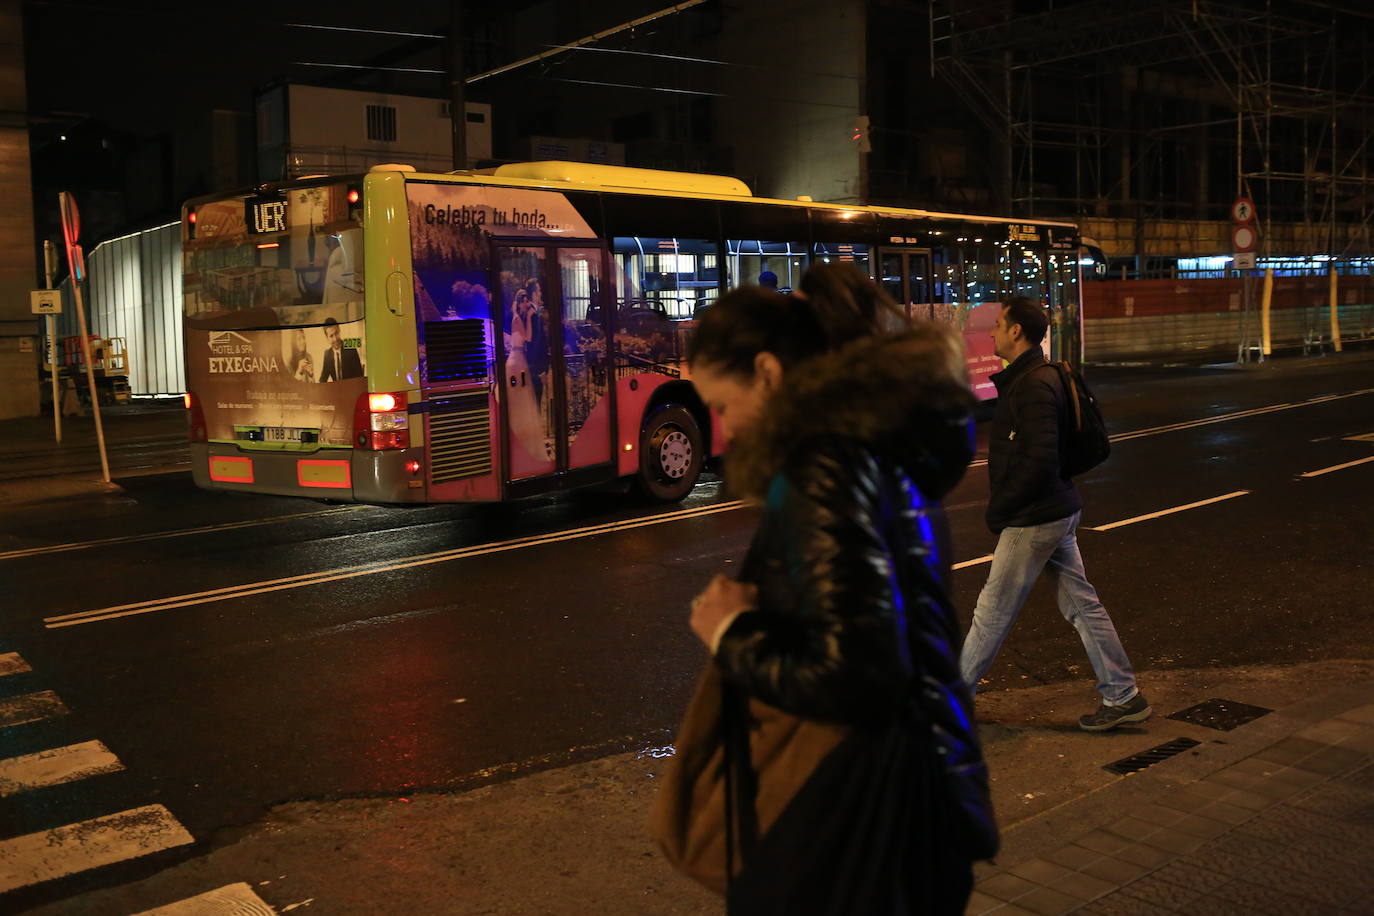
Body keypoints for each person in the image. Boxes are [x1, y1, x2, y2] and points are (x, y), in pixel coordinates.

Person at [679, 262, 994, 913]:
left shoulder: (826, 468)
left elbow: (861, 673)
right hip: (918, 796)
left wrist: (730, 633)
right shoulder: (876, 449)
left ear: (767, 373)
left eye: (720, 404)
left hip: (876, 821)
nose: (723, 428)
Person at [959, 296, 1149, 732]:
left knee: (992, 611)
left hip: (1034, 516)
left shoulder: (1033, 386)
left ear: (1016, 332)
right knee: (1083, 605)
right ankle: (1123, 696)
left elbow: (1039, 461)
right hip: (1055, 510)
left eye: (998, 324)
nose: (991, 332)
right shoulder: (1038, 378)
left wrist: (1001, 510)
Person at [318, 317, 363, 382]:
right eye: (331, 336)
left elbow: (359, 377)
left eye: (336, 333)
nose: (335, 339)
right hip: (337, 390)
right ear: (327, 338)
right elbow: (323, 379)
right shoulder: (327, 354)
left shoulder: (350, 347)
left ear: (339, 330)